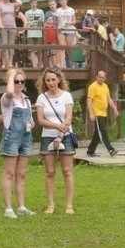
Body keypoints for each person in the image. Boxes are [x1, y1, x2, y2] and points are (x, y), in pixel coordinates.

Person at [35, 67, 76, 215]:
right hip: (47, 136)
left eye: (53, 79)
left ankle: (69, 205)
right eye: (48, 80)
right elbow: (41, 120)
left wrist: (61, 132)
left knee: (67, 171)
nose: (51, 83)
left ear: (59, 79)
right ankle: (51, 205)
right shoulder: (41, 98)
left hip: (65, 135)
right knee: (50, 172)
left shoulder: (66, 96)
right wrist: (56, 126)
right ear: (44, 82)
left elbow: (68, 118)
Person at [0, 69, 35, 218]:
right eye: (16, 81)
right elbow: (9, 93)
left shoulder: (26, 100)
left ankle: (21, 206)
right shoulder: (7, 98)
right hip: (12, 137)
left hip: (25, 138)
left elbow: (31, 119)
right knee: (9, 173)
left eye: (22, 81)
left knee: (21, 174)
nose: (19, 84)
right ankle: (8, 208)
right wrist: (12, 74)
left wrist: (31, 123)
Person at [86, 70, 120, 157]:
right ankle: (110, 149)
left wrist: (114, 109)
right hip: (97, 113)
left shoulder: (105, 86)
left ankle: (90, 151)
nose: (101, 79)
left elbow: (109, 99)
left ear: (105, 78)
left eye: (103, 77)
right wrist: (91, 113)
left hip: (104, 113)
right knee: (103, 131)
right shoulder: (93, 87)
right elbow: (89, 100)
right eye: (99, 77)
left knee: (98, 133)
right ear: (96, 77)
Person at [0, 0, 21, 69]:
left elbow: (20, 3)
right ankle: (4, 63)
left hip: (12, 26)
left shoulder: (12, 4)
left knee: (11, 45)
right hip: (4, 27)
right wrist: (1, 24)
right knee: (4, 45)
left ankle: (10, 63)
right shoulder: (0, 4)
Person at [56, 0, 77, 68]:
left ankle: (73, 64)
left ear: (66, 1)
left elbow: (74, 21)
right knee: (62, 47)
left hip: (69, 29)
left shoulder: (71, 10)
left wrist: (69, 22)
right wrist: (58, 21)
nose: (61, 2)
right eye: (60, 1)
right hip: (61, 29)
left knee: (69, 48)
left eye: (62, 0)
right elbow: (57, 20)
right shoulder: (58, 10)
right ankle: (62, 65)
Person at [24, 0, 45, 68]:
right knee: (31, 50)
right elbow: (26, 23)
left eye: (35, 3)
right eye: (32, 3)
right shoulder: (27, 12)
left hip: (39, 33)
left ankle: (40, 64)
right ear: (30, 4)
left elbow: (43, 22)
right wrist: (28, 23)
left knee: (39, 50)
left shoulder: (40, 11)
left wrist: (38, 22)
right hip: (30, 34)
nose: (34, 4)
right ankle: (34, 65)